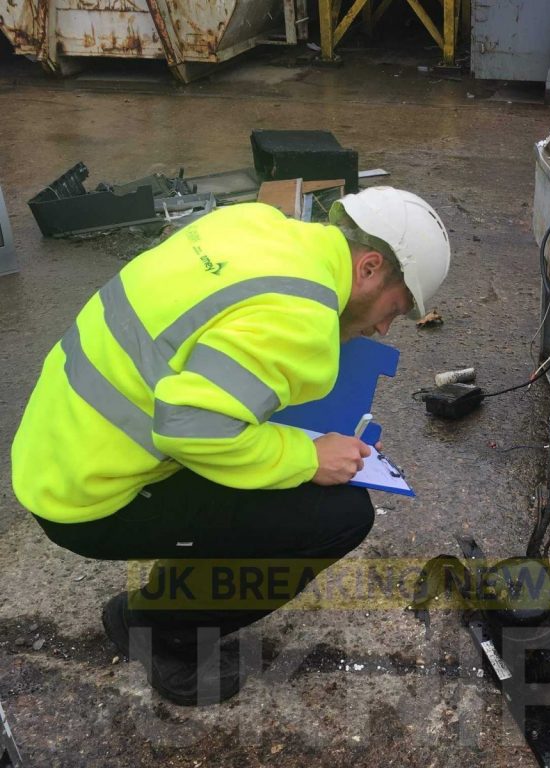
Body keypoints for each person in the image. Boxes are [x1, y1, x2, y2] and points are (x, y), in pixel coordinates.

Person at [10, 187, 451, 706]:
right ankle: (157, 628)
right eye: (393, 310)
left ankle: (175, 583)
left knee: (257, 477)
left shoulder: (257, 225)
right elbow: (191, 427)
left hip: (54, 449)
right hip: (88, 499)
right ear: (370, 267)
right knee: (339, 516)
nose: (381, 327)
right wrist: (308, 458)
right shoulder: (300, 317)